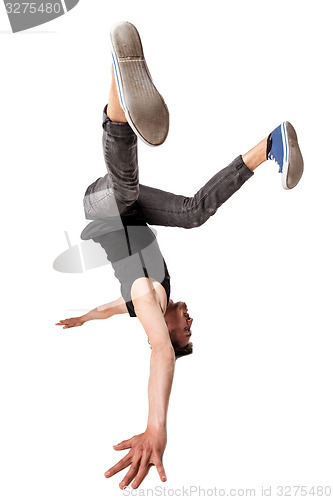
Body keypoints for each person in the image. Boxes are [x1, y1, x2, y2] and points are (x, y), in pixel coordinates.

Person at [56, 21, 304, 490]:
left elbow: (158, 352)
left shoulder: (149, 297)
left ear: (166, 333)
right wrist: (86, 318)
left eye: (183, 334)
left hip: (102, 204)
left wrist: (157, 427)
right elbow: (115, 310)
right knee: (193, 212)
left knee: (124, 188)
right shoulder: (146, 297)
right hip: (127, 206)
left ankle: (118, 88)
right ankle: (271, 142)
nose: (190, 323)